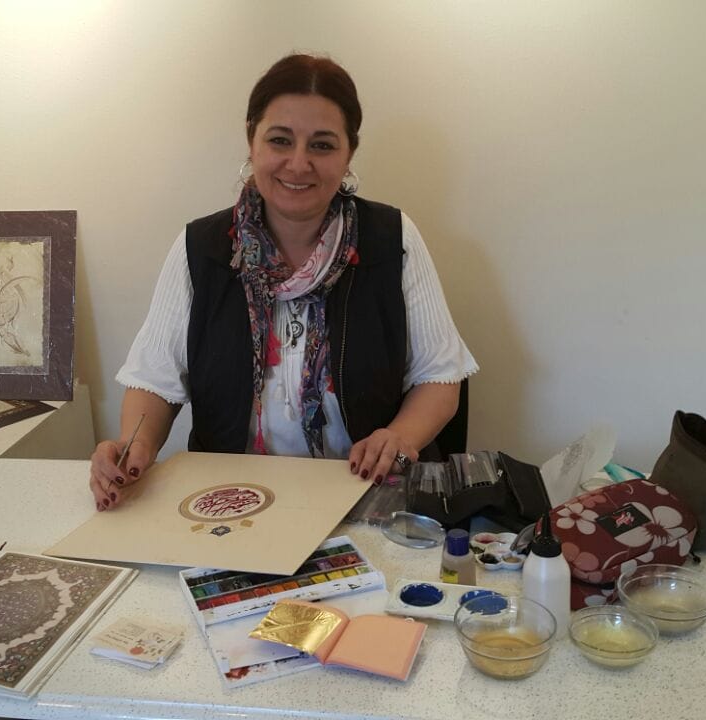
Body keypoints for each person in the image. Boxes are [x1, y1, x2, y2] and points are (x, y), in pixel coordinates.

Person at [90, 53, 477, 511]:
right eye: (280, 140)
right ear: (251, 141)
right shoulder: (202, 248)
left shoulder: (391, 240)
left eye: (322, 145)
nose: (298, 163)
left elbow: (439, 377)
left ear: (349, 154)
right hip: (233, 500)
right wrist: (135, 446)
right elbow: (155, 380)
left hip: (364, 496)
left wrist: (399, 437)